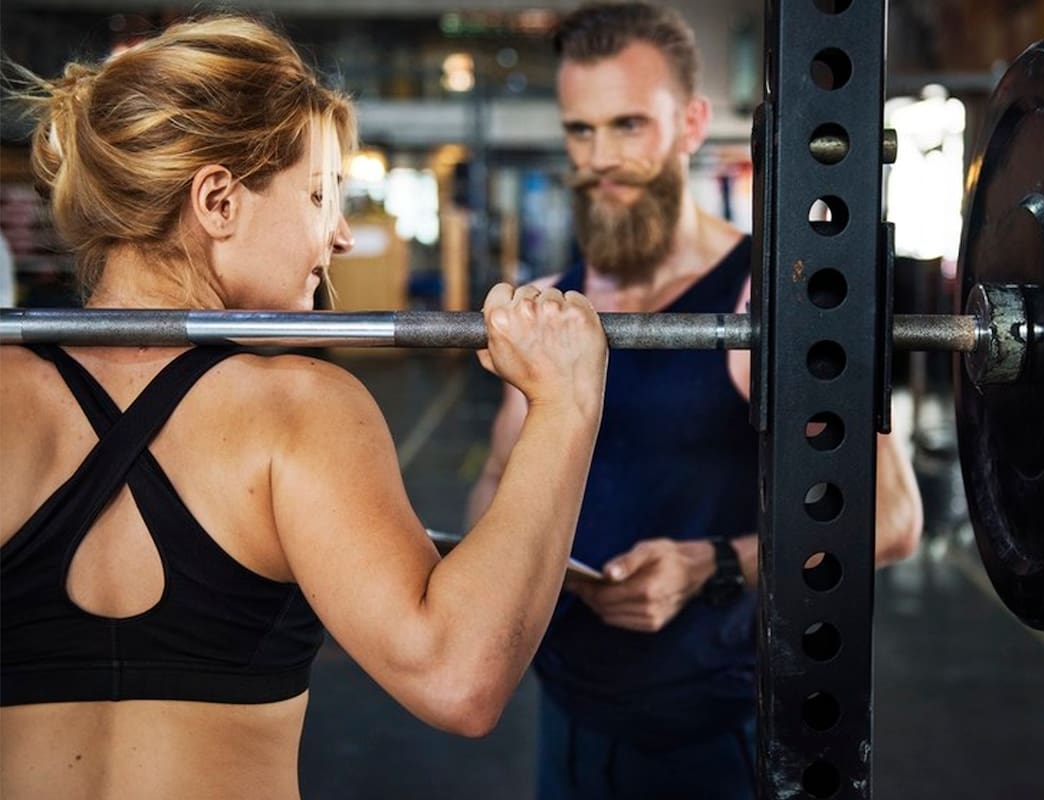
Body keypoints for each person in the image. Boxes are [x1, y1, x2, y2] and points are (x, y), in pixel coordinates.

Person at [0, 15, 609, 800]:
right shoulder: (299, 410)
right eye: (321, 194)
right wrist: (565, 403)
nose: (343, 236)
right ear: (219, 201)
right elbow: (459, 678)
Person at [465, 3, 924, 798]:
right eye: (581, 130)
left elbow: (891, 517)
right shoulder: (549, 301)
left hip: (712, 732)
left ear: (692, 124)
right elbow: (499, 475)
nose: (602, 157)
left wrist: (711, 566)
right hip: (568, 713)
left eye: (629, 124)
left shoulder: (772, 300)